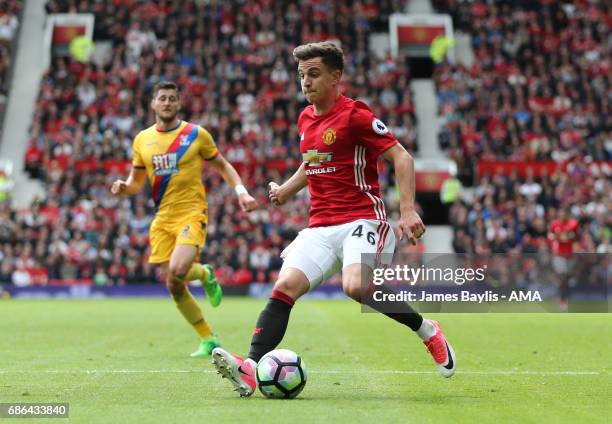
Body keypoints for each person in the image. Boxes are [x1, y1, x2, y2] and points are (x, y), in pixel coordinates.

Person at [211, 42, 456, 397]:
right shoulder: (305, 118)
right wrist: (287, 190)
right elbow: (312, 160)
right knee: (284, 287)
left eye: (313, 74)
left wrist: (406, 209)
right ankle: (250, 367)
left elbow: (402, 159)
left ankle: (427, 331)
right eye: (301, 75)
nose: (305, 82)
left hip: (363, 219)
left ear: (335, 77)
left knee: (355, 286)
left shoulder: (356, 116)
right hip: (320, 226)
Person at [110, 81, 257, 357]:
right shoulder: (142, 139)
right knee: (173, 283)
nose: (166, 103)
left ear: (179, 104)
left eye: (172, 99)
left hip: (192, 212)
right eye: (162, 98)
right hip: (162, 218)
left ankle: (202, 272)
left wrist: (241, 192)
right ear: (153, 103)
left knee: (177, 270)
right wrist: (123, 187)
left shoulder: (195, 134)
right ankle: (208, 337)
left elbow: (223, 166)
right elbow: (136, 182)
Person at [547, 206, 579, 311]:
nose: (562, 216)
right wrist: (558, 237)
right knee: (562, 275)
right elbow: (550, 236)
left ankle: (564, 296)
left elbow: (577, 237)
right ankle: (562, 300)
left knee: (568, 278)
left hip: (569, 254)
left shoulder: (573, 223)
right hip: (559, 254)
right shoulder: (555, 224)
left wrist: (570, 236)